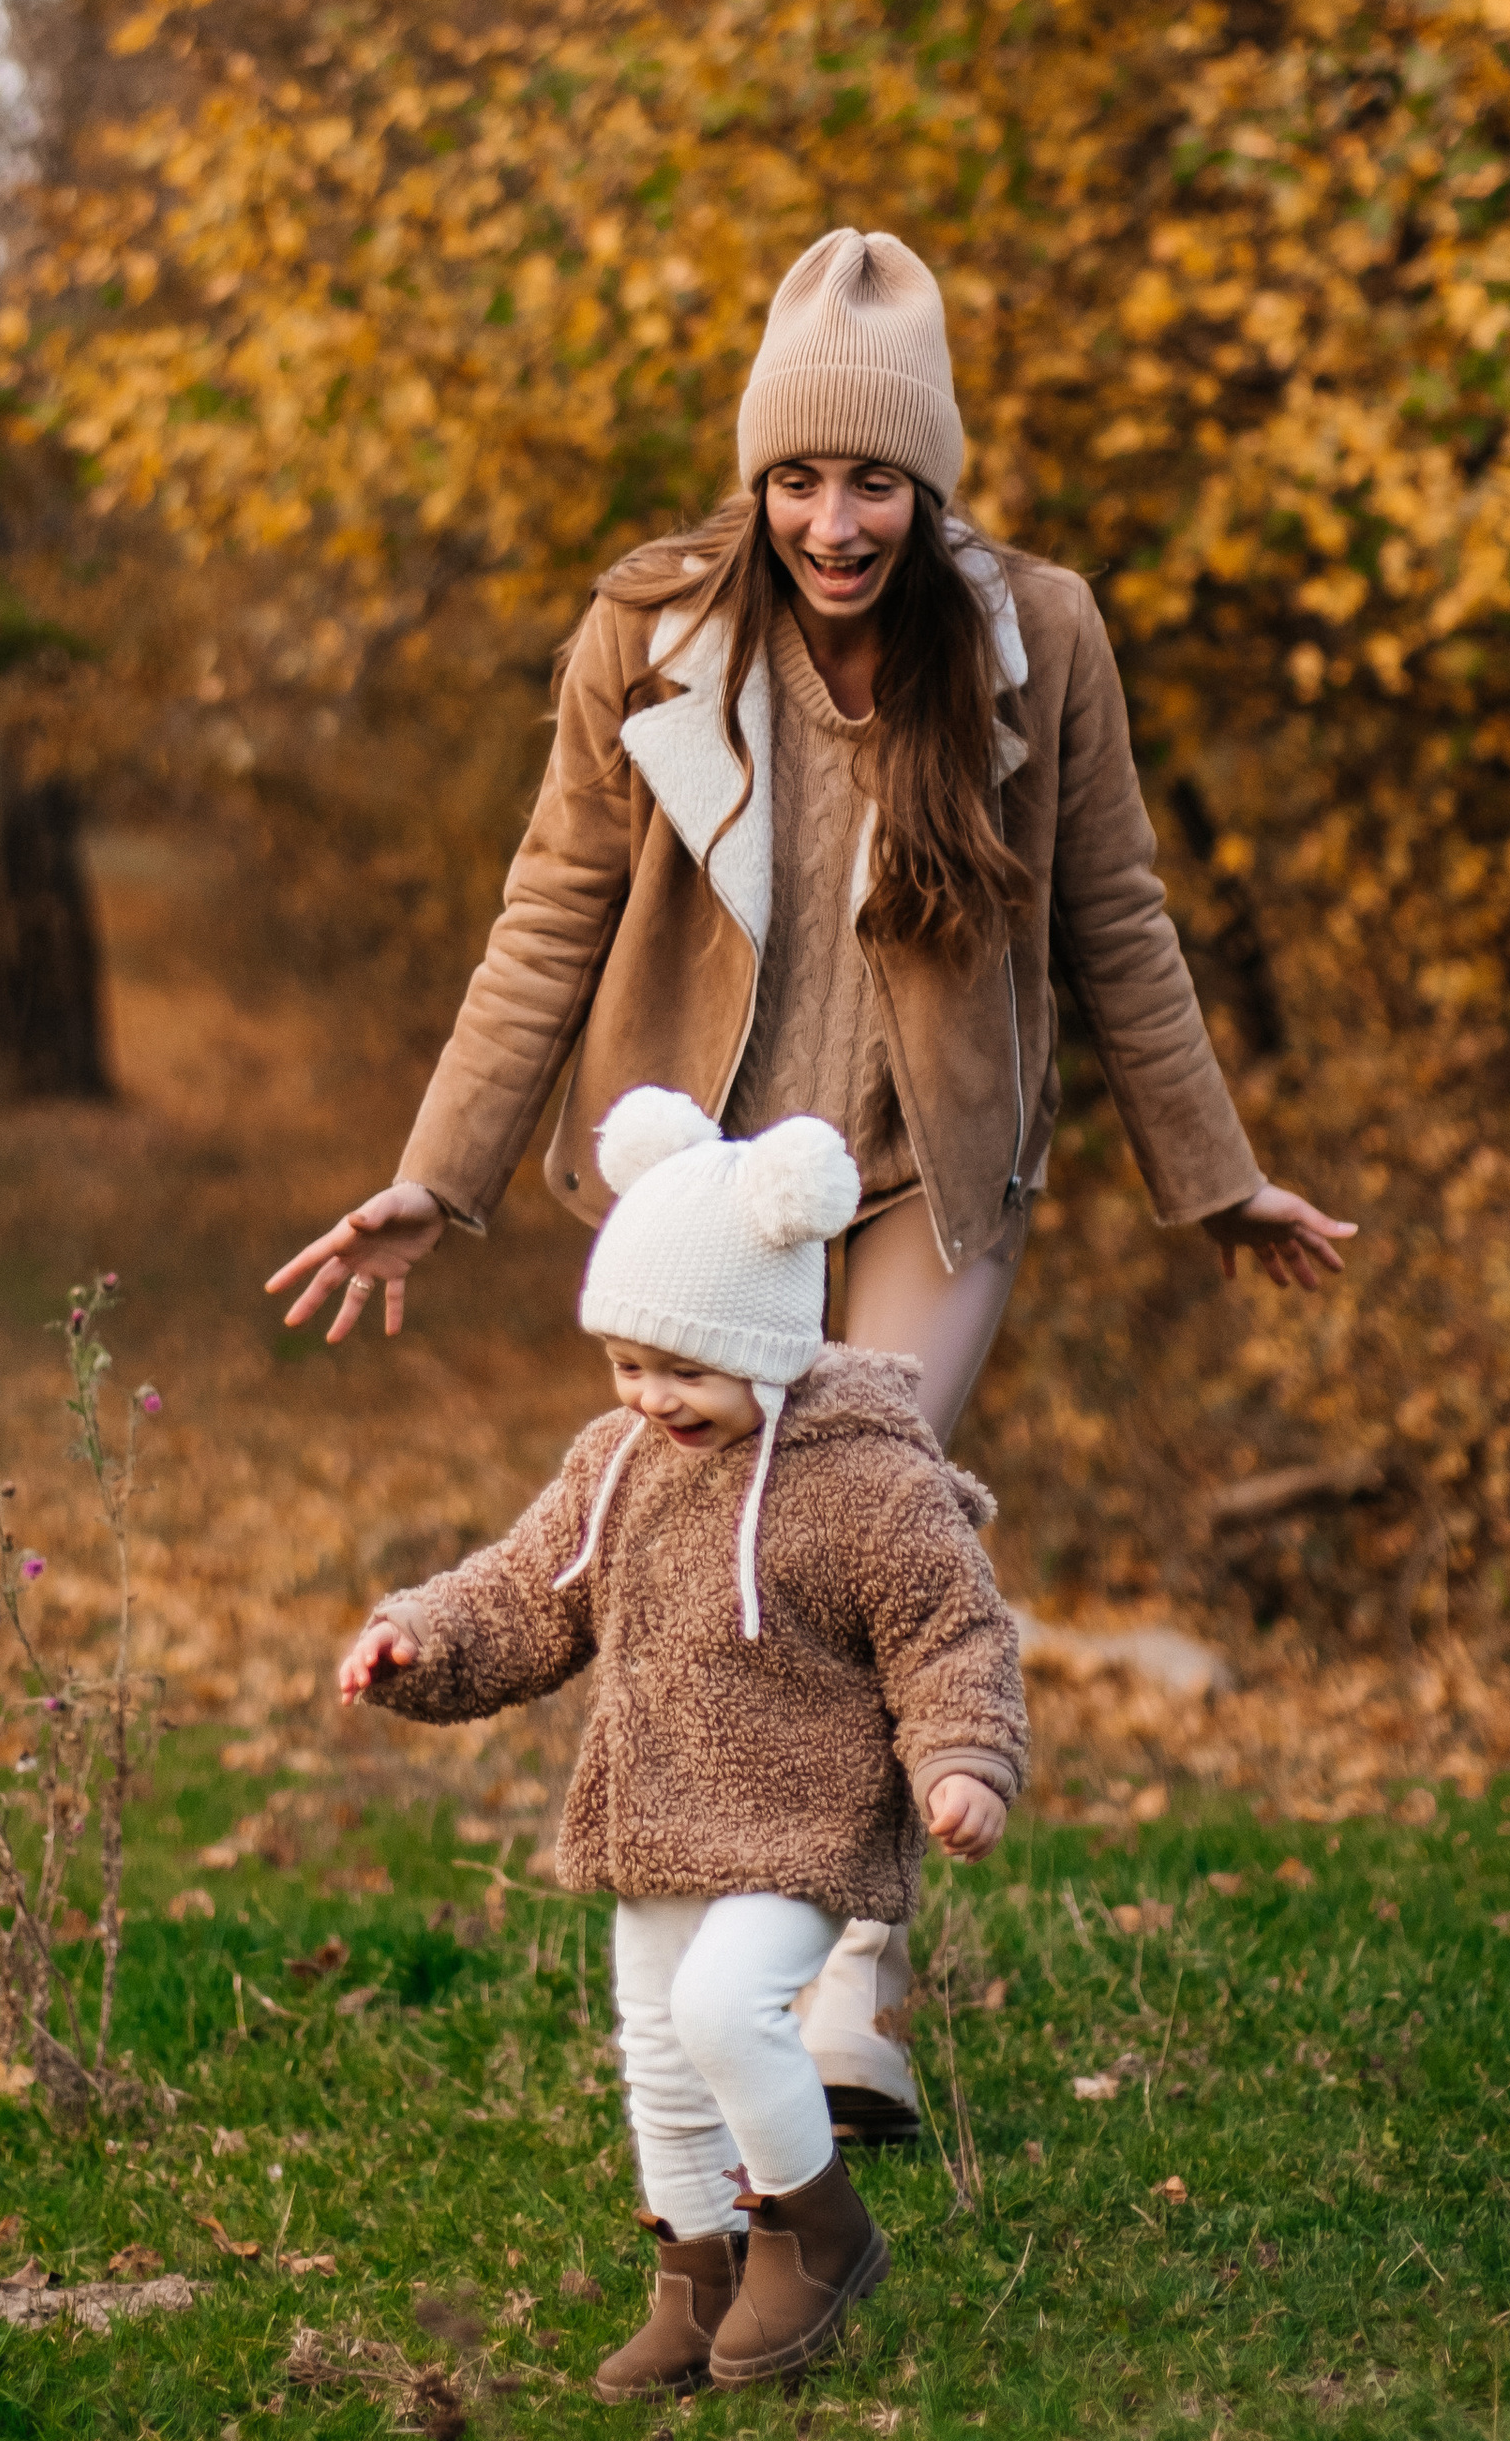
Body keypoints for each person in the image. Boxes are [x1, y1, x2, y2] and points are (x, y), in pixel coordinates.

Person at [277, 226, 1353, 2137]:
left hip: (929, 1165)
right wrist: (439, 1178)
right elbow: (552, 908)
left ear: (928, 482)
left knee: (859, 1509)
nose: (833, 523)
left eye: (873, 481)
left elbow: (1114, 914)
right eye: (797, 479)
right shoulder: (652, 631)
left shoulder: (1038, 634)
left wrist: (1216, 1176)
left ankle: (853, 1985)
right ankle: (756, 1944)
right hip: (701, 1182)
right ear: (755, 475)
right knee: (725, 1534)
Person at [339, 1084, 1026, 2396]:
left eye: (686, 1370)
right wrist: (420, 1636)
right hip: (660, 1807)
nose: (653, 1397)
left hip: (810, 1818)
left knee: (725, 2009)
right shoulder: (618, 1463)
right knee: (658, 2040)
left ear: (768, 1342)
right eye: (627, 1364)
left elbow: (950, 1632)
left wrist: (962, 1761)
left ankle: (816, 2236)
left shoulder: (868, 1481)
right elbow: (525, 1589)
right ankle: (697, 2273)